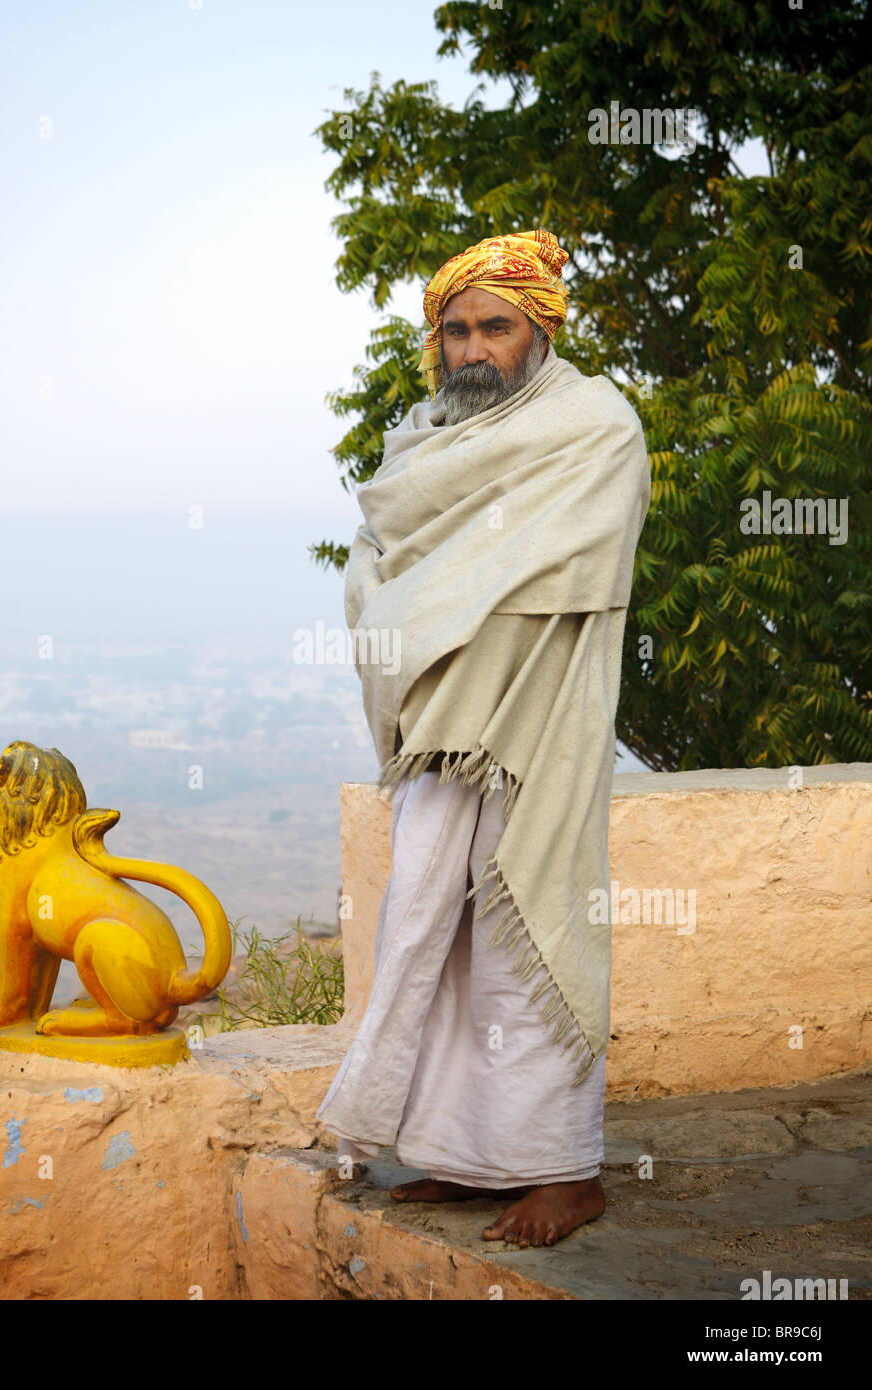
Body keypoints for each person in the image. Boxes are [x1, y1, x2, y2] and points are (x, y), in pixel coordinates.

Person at [316, 229, 651, 1247]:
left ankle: (562, 1170)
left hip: (533, 716)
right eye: (453, 329)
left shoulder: (594, 426)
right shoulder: (421, 439)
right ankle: (461, 1155)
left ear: (538, 329)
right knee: (425, 932)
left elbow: (564, 564)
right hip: (440, 727)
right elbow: (378, 562)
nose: (471, 347)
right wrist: (415, 617)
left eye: (493, 327)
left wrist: (434, 602)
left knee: (522, 930)